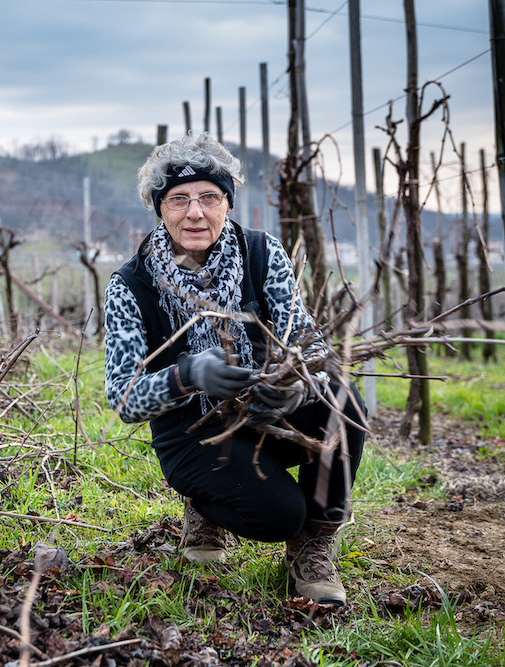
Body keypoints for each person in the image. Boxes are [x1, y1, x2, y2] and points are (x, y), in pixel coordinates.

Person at [103, 131, 367, 606]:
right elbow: (123, 399)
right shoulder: (130, 284)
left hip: (265, 414)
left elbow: (312, 348)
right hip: (192, 431)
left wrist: (299, 389)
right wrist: (185, 376)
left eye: (209, 196)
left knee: (342, 401)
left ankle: (313, 547)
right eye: (179, 199)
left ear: (228, 202)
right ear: (159, 209)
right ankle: (204, 506)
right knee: (278, 516)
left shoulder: (263, 256)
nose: (195, 212)